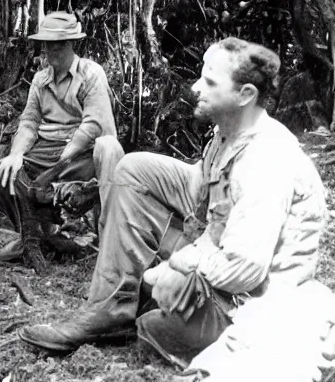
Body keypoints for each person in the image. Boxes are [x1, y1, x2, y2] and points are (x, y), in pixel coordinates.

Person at [18, 38, 327, 379]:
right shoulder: (228, 135)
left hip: (247, 296)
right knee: (134, 169)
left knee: (163, 296)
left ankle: (162, 309)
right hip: (216, 250)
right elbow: (206, 193)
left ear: (245, 95)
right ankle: (111, 310)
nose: (196, 87)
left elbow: (246, 270)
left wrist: (180, 263)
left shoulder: (265, 161)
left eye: (210, 82)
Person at [0, 11, 122, 271]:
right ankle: (35, 238)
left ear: (72, 44)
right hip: (46, 150)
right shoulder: (40, 79)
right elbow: (29, 122)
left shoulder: (91, 73)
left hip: (83, 152)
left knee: (99, 161)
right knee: (6, 176)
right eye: (49, 43)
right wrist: (16, 155)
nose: (53, 50)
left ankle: (108, 242)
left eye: (60, 43)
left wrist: (62, 161)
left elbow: (94, 123)